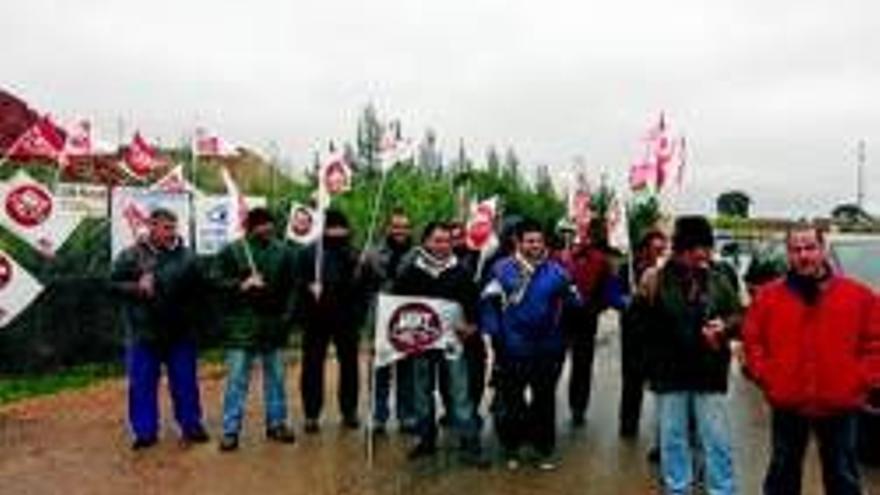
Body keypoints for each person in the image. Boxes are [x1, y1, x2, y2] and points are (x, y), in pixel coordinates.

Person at [743, 223, 880, 495]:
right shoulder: (768, 298)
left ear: (823, 249)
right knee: (782, 473)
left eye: (810, 248)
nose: (803, 255)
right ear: (788, 253)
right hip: (788, 402)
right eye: (796, 249)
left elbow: (875, 344)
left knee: (843, 476)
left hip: (840, 403)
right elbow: (753, 341)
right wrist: (768, 376)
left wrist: (860, 379)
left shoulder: (860, 296)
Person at [634, 215, 742, 495]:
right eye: (696, 248)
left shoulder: (720, 277)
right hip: (670, 374)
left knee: (716, 439)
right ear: (681, 249)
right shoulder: (654, 278)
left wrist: (725, 327)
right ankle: (677, 488)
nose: (703, 254)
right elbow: (639, 328)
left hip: (710, 372)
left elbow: (740, 317)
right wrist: (648, 369)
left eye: (706, 247)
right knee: (673, 439)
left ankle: (722, 490)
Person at [481, 218, 580, 470]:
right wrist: (496, 335)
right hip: (512, 347)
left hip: (547, 349)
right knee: (512, 401)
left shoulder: (557, 271)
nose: (535, 245)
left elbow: (574, 305)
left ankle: (543, 449)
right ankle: (512, 448)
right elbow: (489, 305)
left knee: (544, 402)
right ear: (519, 241)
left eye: (538, 241)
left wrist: (571, 288)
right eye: (529, 241)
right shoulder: (501, 269)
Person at [109, 207, 209, 450]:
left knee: (185, 384)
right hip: (143, 334)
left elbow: (202, 291)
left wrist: (193, 319)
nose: (171, 233)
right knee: (142, 385)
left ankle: (191, 426)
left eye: (173, 227)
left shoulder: (189, 258)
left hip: (180, 334)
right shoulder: (131, 256)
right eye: (165, 228)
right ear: (152, 227)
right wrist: (136, 287)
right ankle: (145, 432)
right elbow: (110, 284)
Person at [392, 221, 485, 466]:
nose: (443, 245)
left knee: (459, 392)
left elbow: (475, 308)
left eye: (447, 241)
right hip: (421, 343)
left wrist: (471, 327)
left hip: (454, 343)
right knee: (422, 393)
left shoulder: (462, 272)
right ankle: (426, 440)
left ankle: (469, 442)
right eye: (437, 240)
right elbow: (397, 305)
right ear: (425, 242)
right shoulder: (412, 271)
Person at [214, 208, 297, 451]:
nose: (268, 229)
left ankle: (277, 423)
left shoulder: (284, 252)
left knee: (277, 379)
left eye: (270, 224)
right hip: (242, 326)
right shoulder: (233, 250)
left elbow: (293, 288)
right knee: (237, 380)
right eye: (262, 225)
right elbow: (215, 281)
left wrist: (286, 318)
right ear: (251, 227)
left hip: (273, 326)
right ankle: (230, 431)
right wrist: (242, 284)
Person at [295, 209, 368, 432]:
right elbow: (297, 281)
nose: (337, 232)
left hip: (346, 318)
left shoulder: (355, 254)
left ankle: (349, 411)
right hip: (316, 318)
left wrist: (361, 273)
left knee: (349, 366)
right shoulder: (309, 253)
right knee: (312, 366)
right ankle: (311, 414)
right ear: (324, 228)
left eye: (341, 228)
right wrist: (309, 288)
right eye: (332, 227)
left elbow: (365, 288)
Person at [558, 218, 615, 426]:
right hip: (561, 318)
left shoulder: (602, 260)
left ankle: (578, 408)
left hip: (585, 320)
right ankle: (547, 405)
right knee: (554, 363)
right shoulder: (562, 256)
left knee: (581, 366)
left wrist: (592, 308)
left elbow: (606, 293)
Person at [366, 208, 416, 434]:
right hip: (380, 318)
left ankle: (406, 415)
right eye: (396, 226)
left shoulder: (418, 254)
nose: (400, 231)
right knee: (380, 370)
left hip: (407, 320)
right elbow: (361, 284)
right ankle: (378, 416)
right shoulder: (373, 252)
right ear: (388, 228)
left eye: (405, 227)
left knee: (407, 371)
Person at [618, 229, 668, 438]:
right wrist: (627, 300)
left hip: (659, 329)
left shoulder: (668, 269)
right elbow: (616, 292)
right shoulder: (628, 267)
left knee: (661, 383)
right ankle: (628, 425)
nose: (659, 251)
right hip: (633, 328)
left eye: (662, 248)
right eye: (656, 248)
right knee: (632, 380)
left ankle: (662, 433)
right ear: (646, 247)